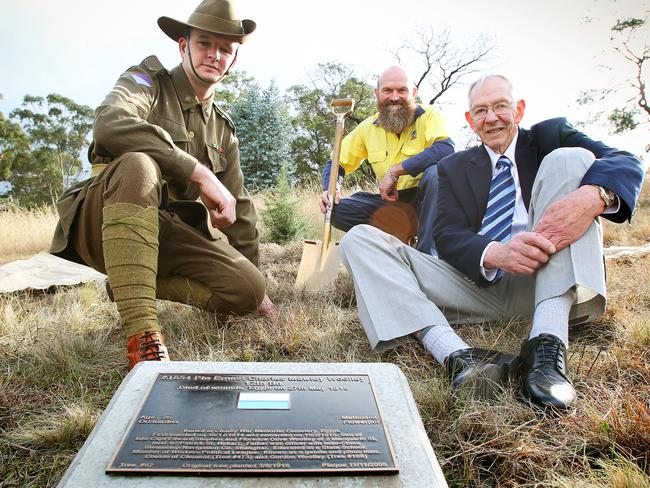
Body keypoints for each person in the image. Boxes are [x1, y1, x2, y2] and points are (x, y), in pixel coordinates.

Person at [339, 74, 645, 411]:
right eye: (481, 111)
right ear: (470, 120)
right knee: (359, 239)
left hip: (546, 280)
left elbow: (626, 161)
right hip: (476, 284)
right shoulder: (452, 166)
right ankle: (457, 355)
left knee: (571, 159)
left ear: (519, 110)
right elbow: (448, 236)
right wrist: (494, 252)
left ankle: (547, 347)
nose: (492, 117)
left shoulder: (551, 135)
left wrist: (593, 196)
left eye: (501, 106)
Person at [50, 0, 275, 370]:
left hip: (168, 233)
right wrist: (198, 173)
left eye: (225, 49)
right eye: (205, 43)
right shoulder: (148, 81)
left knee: (248, 289)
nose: (215, 55)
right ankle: (143, 335)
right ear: (184, 45)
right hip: (106, 218)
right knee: (139, 164)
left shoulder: (223, 130)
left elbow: (241, 210)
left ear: (234, 61)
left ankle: (129, 283)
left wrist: (258, 293)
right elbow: (109, 123)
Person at [319, 66, 453, 250]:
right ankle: (394, 244)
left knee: (436, 173)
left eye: (402, 90)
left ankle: (426, 253)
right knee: (335, 210)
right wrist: (331, 189)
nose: (395, 97)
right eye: (387, 90)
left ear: (413, 92)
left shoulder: (429, 116)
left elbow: (445, 149)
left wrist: (396, 171)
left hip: (426, 201)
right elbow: (336, 164)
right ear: (377, 93)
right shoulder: (367, 128)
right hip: (392, 205)